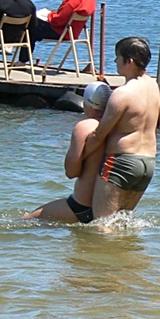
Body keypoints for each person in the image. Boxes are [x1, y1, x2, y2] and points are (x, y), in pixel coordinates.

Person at [81, 37, 160, 217]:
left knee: (102, 223)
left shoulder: (122, 94)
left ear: (129, 61)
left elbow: (99, 135)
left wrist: (79, 159)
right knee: (121, 221)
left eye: (118, 57)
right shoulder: (153, 86)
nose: (115, 61)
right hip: (147, 163)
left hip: (121, 162)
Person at [22, 81, 111, 223]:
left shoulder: (84, 127)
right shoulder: (116, 127)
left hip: (81, 206)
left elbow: (71, 172)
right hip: (108, 207)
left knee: (25, 221)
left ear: (86, 103)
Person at [25, 0, 96, 60]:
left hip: (62, 32)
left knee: (30, 26)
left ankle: (20, 59)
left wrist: (49, 14)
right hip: (74, 33)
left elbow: (59, 20)